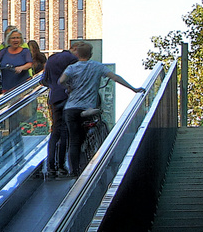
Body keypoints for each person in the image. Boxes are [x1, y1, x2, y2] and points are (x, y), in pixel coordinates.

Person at [58, 40, 142, 176]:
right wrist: (133, 89)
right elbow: (115, 77)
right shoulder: (98, 67)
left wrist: (68, 87)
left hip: (71, 108)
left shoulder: (72, 68)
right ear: (90, 54)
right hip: (87, 108)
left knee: (74, 141)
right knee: (89, 128)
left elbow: (61, 81)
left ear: (77, 54)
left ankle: (74, 172)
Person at [40, 41, 79, 177]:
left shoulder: (51, 59)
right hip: (68, 97)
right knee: (65, 132)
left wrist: (53, 85)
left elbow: (43, 80)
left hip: (54, 98)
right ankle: (62, 165)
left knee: (55, 131)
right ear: (74, 49)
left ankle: (51, 165)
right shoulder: (73, 60)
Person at [0, 29, 37, 95]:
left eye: (18, 38)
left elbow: (29, 64)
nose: (15, 40)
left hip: (22, 86)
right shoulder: (4, 51)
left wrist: (21, 67)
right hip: (7, 86)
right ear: (9, 40)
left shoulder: (25, 51)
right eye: (13, 38)